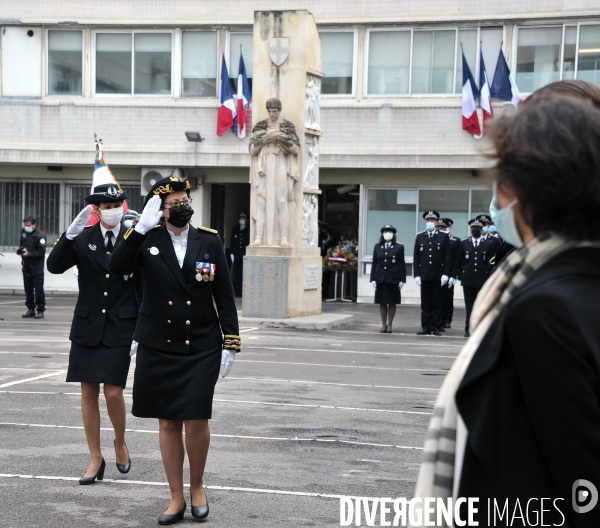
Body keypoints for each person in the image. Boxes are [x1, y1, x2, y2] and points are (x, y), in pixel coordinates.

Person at [413, 88, 600, 526]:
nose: (497, 197)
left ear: (523, 189)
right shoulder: (576, 279)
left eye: (501, 180)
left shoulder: (545, 309)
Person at [107, 176, 240, 525]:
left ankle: (197, 487)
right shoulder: (146, 240)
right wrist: (138, 230)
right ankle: (176, 496)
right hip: (159, 344)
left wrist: (231, 341)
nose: (182, 207)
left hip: (200, 344)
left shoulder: (208, 240)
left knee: (196, 419)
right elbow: (115, 266)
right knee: (168, 422)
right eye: (175, 204)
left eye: (185, 201)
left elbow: (224, 296)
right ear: (160, 210)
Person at [46, 182, 135, 485]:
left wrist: (142, 328)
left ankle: (120, 442)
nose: (113, 211)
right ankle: (95, 457)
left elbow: (147, 284)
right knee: (88, 391)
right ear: (96, 210)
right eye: (107, 207)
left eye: (117, 205)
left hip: (122, 325)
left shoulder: (133, 237)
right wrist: (68, 236)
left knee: (113, 392)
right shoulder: (84, 239)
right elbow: (55, 266)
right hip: (87, 325)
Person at [249, 97, 300, 247]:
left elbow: (295, 148)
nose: (272, 113)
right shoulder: (260, 127)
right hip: (263, 166)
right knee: (261, 202)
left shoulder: (287, 126)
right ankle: (259, 238)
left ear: (280, 110)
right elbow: (252, 150)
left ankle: (284, 238)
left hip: (281, 164)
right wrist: (265, 140)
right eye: (270, 110)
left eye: (275, 110)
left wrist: (277, 138)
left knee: (282, 201)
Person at [413, 211, 451, 336]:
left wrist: (446, 274)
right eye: (428, 220)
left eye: (432, 220)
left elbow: (447, 257)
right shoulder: (420, 236)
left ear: (437, 222)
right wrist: (417, 275)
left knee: (437, 303)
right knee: (425, 303)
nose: (430, 222)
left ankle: (436, 327)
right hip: (424, 275)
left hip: (438, 275)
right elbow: (416, 257)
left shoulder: (443, 236)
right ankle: (426, 327)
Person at [456, 219, 494, 337]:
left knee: (481, 306)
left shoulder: (488, 244)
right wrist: (460, 276)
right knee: (469, 307)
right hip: (468, 280)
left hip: (482, 280)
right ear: (470, 230)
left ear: (482, 230)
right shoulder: (463, 243)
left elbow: (491, 262)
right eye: (473, 228)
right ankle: (468, 329)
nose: (475, 230)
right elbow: (458, 261)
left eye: (478, 228)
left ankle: (480, 330)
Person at [370, 225, 406, 333]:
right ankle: (383, 325)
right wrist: (373, 279)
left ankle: (390, 324)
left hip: (393, 278)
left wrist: (402, 280)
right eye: (385, 231)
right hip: (380, 277)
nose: (387, 233)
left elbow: (401, 265)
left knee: (392, 302)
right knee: (382, 302)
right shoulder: (377, 246)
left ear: (393, 234)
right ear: (382, 234)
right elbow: (374, 263)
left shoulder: (399, 247)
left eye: (389, 231)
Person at [18, 216, 47, 319]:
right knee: (28, 289)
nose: (27, 227)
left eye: (29, 225)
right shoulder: (24, 233)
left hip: (37, 267)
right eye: (25, 225)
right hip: (26, 266)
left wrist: (29, 254)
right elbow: (22, 245)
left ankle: (40, 310)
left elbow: (41, 251)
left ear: (34, 225)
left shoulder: (40, 235)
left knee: (38, 289)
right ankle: (30, 309)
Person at [438, 218, 461, 330]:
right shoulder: (436, 239)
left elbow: (456, 259)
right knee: (438, 298)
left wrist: (454, 275)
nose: (441, 229)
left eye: (443, 227)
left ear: (448, 228)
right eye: (439, 227)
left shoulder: (455, 240)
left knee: (448, 298)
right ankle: (439, 319)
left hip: (450, 272)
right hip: (438, 273)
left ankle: (447, 319)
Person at [229, 212, 250, 297]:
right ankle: (238, 292)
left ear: (246, 220)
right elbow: (232, 241)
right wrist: (231, 253)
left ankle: (245, 291)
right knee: (237, 275)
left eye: (243, 219)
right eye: (240, 219)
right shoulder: (235, 229)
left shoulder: (249, 229)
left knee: (245, 274)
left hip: (245, 255)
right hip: (237, 255)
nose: (241, 220)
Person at [318, 220, 334, 299]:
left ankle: (325, 294)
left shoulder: (327, 236)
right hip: (319, 258)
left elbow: (329, 247)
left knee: (325, 278)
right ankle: (320, 294)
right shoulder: (318, 236)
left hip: (326, 259)